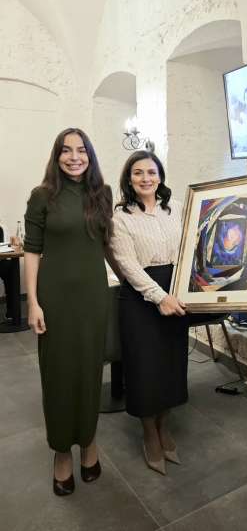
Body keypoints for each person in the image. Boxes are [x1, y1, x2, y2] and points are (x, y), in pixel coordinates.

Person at [24, 128, 119, 496]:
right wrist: (33, 303)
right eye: (66, 151)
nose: (74, 157)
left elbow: (109, 245)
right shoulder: (42, 196)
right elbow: (32, 252)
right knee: (58, 375)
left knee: (90, 371)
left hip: (93, 297)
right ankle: (62, 452)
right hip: (55, 299)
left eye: (81, 150)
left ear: (90, 156)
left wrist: (134, 279)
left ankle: (89, 444)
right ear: (57, 156)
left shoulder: (102, 194)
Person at [110, 151, 188, 476]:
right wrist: (160, 298)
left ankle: (165, 427)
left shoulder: (177, 209)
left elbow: (191, 248)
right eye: (138, 173)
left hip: (176, 292)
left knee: (171, 364)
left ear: (160, 176)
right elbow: (128, 266)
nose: (145, 178)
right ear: (129, 179)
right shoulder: (120, 218)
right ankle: (149, 433)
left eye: (151, 172)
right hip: (140, 297)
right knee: (143, 368)